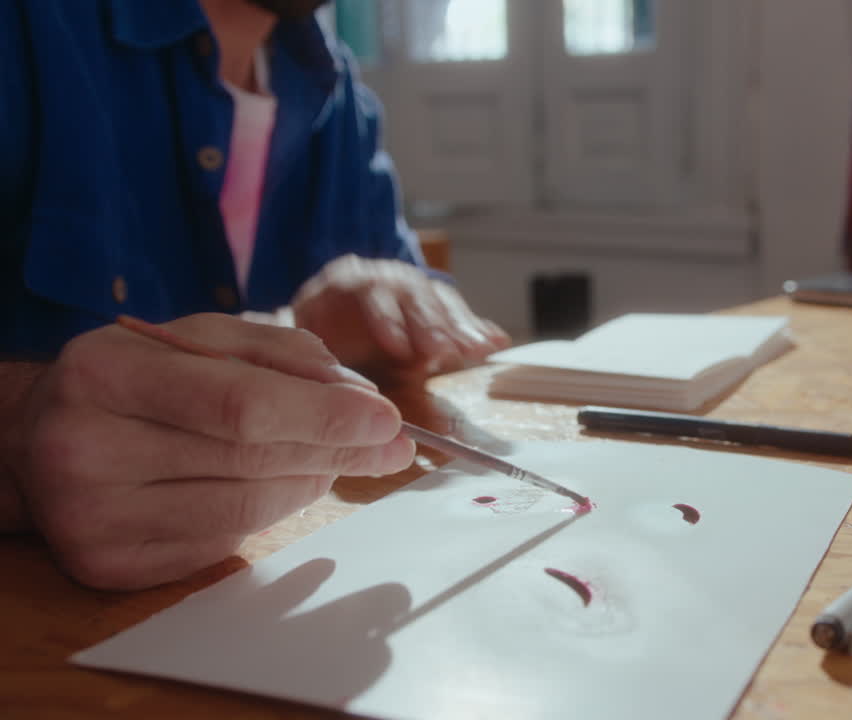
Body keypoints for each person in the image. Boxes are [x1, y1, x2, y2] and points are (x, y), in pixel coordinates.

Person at [0, 0, 510, 590]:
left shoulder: (336, 87)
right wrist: (18, 435)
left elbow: (410, 321)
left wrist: (361, 329)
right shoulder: (28, 29)